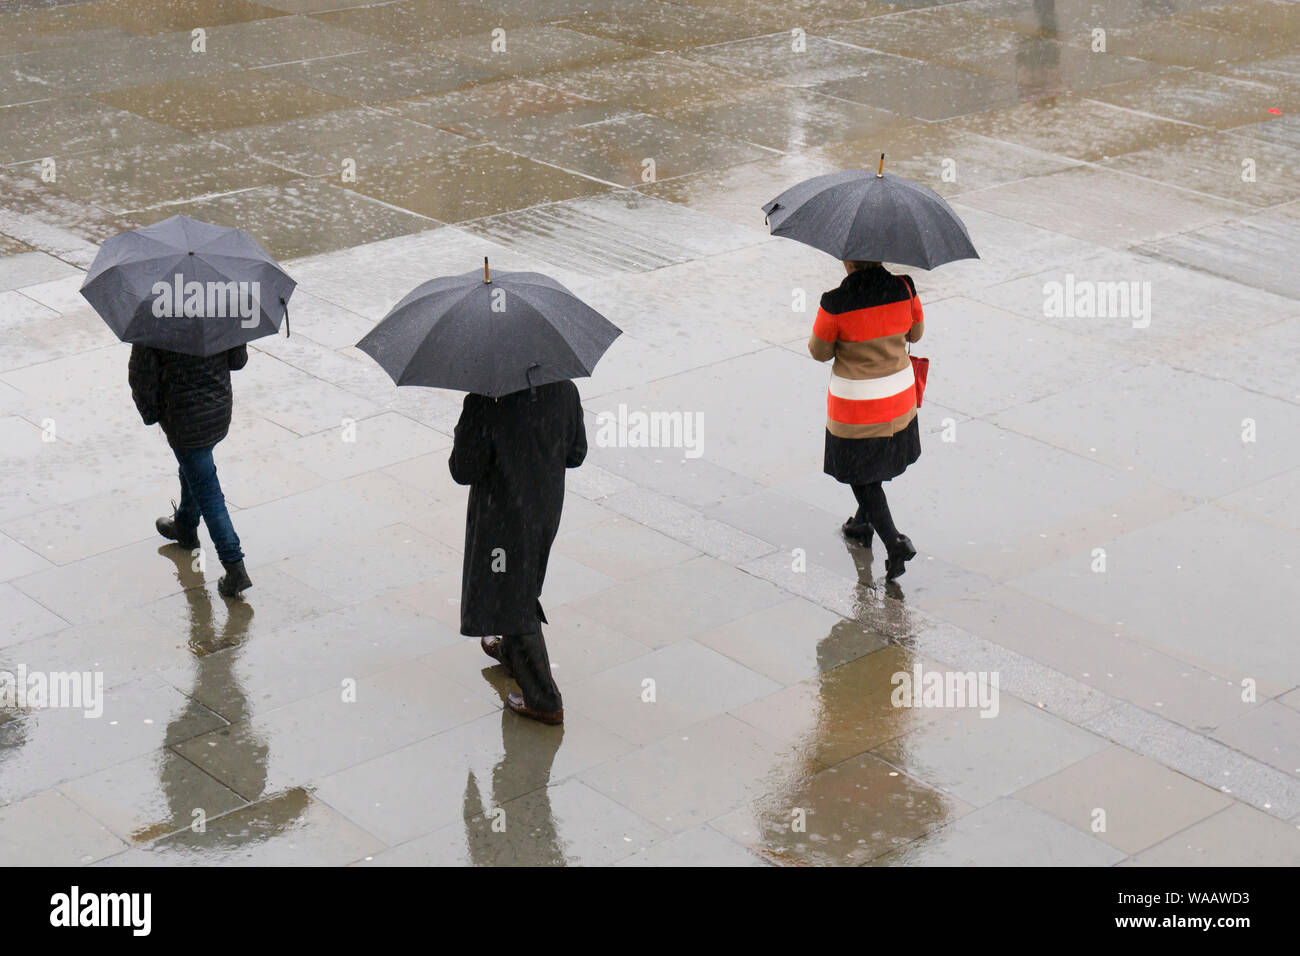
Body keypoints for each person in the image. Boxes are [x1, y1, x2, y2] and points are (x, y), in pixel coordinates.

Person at [449, 378, 587, 725]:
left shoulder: (485, 401)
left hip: (502, 518)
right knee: (523, 581)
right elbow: (576, 454)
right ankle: (511, 653)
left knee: (512, 596)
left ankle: (543, 699)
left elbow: (463, 470)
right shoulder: (565, 389)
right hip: (544, 509)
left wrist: (469, 426)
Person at [809, 260, 924, 580]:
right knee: (875, 460)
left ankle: (894, 541)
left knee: (860, 474)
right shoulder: (905, 288)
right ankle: (862, 523)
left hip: (857, 408)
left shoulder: (835, 303)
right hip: (900, 400)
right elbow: (916, 332)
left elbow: (819, 352)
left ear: (848, 259)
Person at [128, 344, 252, 597]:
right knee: (195, 467)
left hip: (182, 417)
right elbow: (237, 361)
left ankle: (234, 567)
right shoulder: (222, 307)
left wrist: (152, 414)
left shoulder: (154, 319)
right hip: (218, 410)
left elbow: (142, 377)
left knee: (209, 493)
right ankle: (185, 524)